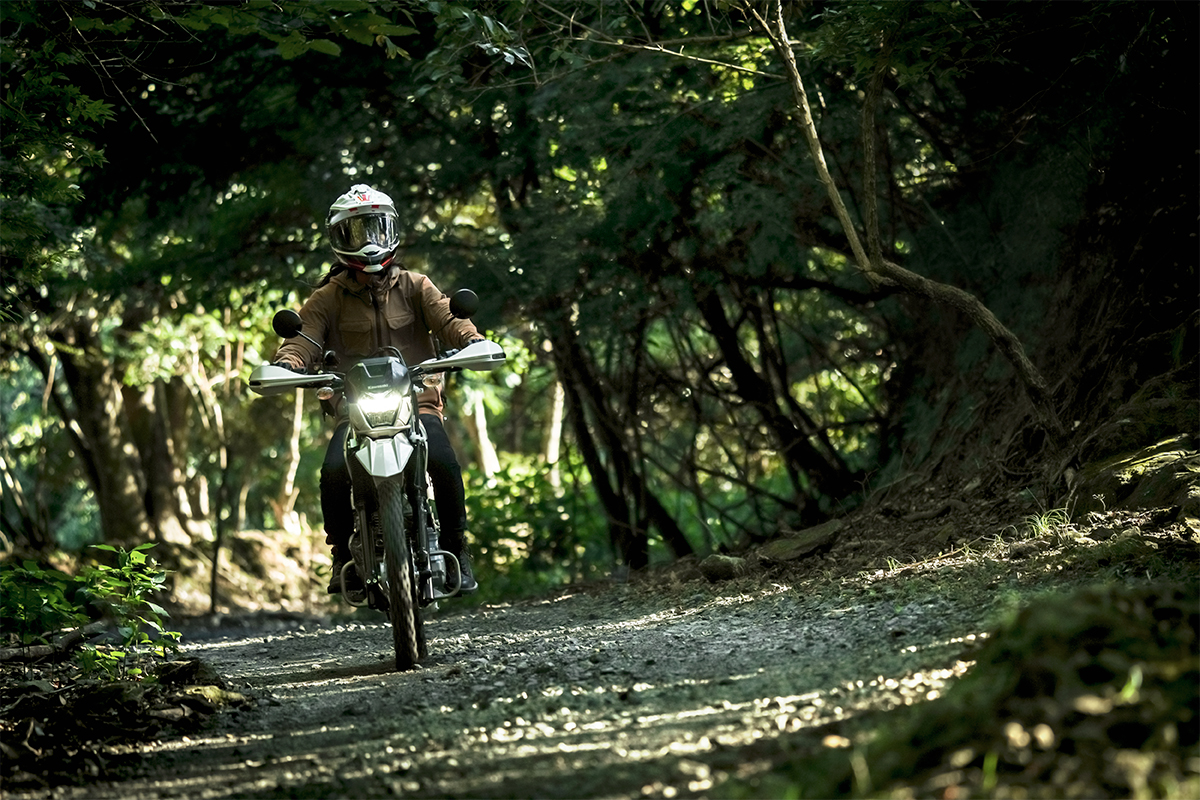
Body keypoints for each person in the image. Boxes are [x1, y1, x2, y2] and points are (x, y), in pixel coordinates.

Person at [271, 184, 482, 595]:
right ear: (339, 239)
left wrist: (471, 339)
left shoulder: (416, 286)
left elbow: (448, 318)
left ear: (391, 231)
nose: (368, 241)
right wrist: (288, 362)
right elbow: (303, 338)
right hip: (356, 410)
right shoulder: (326, 298)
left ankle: (459, 549)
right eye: (356, 232)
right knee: (333, 471)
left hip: (416, 403)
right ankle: (340, 558)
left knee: (442, 460)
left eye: (376, 229)